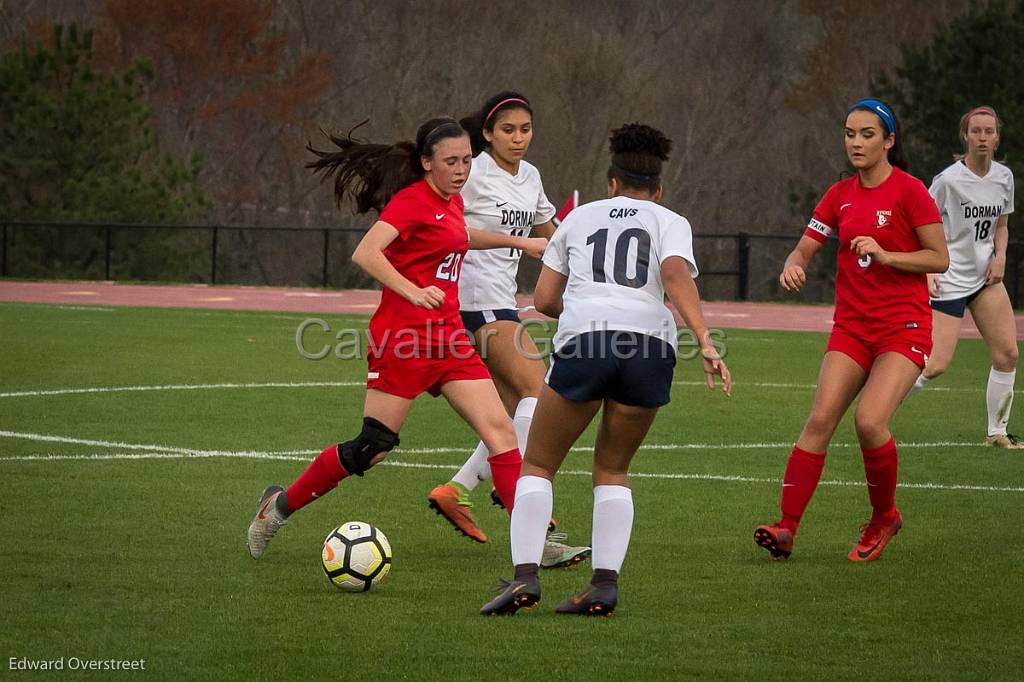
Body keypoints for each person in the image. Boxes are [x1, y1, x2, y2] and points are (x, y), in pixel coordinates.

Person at [246, 118, 548, 559]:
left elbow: (460, 238)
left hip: (448, 340)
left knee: (502, 431)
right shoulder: (411, 202)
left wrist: (520, 243)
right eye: (450, 161)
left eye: (466, 160)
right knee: (372, 448)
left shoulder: (452, 201)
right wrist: (410, 289)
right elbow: (365, 252)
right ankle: (276, 509)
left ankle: (535, 547)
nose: (461, 169)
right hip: (403, 342)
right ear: (426, 163)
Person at [480, 123, 732, 616]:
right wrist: (704, 338)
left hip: (588, 341)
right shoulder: (670, 219)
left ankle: (525, 580)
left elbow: (545, 299)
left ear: (611, 182)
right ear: (658, 189)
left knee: (538, 465)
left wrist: (581, 311)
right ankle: (603, 586)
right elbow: (675, 274)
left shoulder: (579, 218)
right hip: (650, 346)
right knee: (613, 468)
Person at [753, 98, 949, 562]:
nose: (856, 143)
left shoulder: (909, 191)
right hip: (852, 329)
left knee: (869, 421)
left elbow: (938, 258)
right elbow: (805, 248)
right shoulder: (839, 194)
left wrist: (886, 255)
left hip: (904, 328)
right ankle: (786, 528)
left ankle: (885, 516)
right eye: (849, 134)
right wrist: (793, 264)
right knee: (820, 419)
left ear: (889, 141)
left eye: (866, 134)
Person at [425, 91, 590, 569]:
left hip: (503, 303)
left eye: (525, 130)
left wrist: (585, 255)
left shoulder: (531, 175)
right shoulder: (471, 170)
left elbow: (550, 228)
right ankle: (518, 495)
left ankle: (457, 489)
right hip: (472, 302)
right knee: (540, 393)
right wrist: (524, 241)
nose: (519, 139)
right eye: (508, 130)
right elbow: (452, 232)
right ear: (488, 134)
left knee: (517, 409)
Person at [905, 106, 1019, 447]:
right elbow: (917, 227)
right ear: (965, 136)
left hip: (985, 279)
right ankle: (877, 407)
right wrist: (926, 271)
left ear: (997, 138)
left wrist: (1000, 257)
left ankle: (997, 433)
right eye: (976, 131)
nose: (982, 137)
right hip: (948, 278)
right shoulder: (947, 181)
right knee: (936, 363)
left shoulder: (1004, 177)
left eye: (988, 131)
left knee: (1008, 354)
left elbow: (1002, 225)